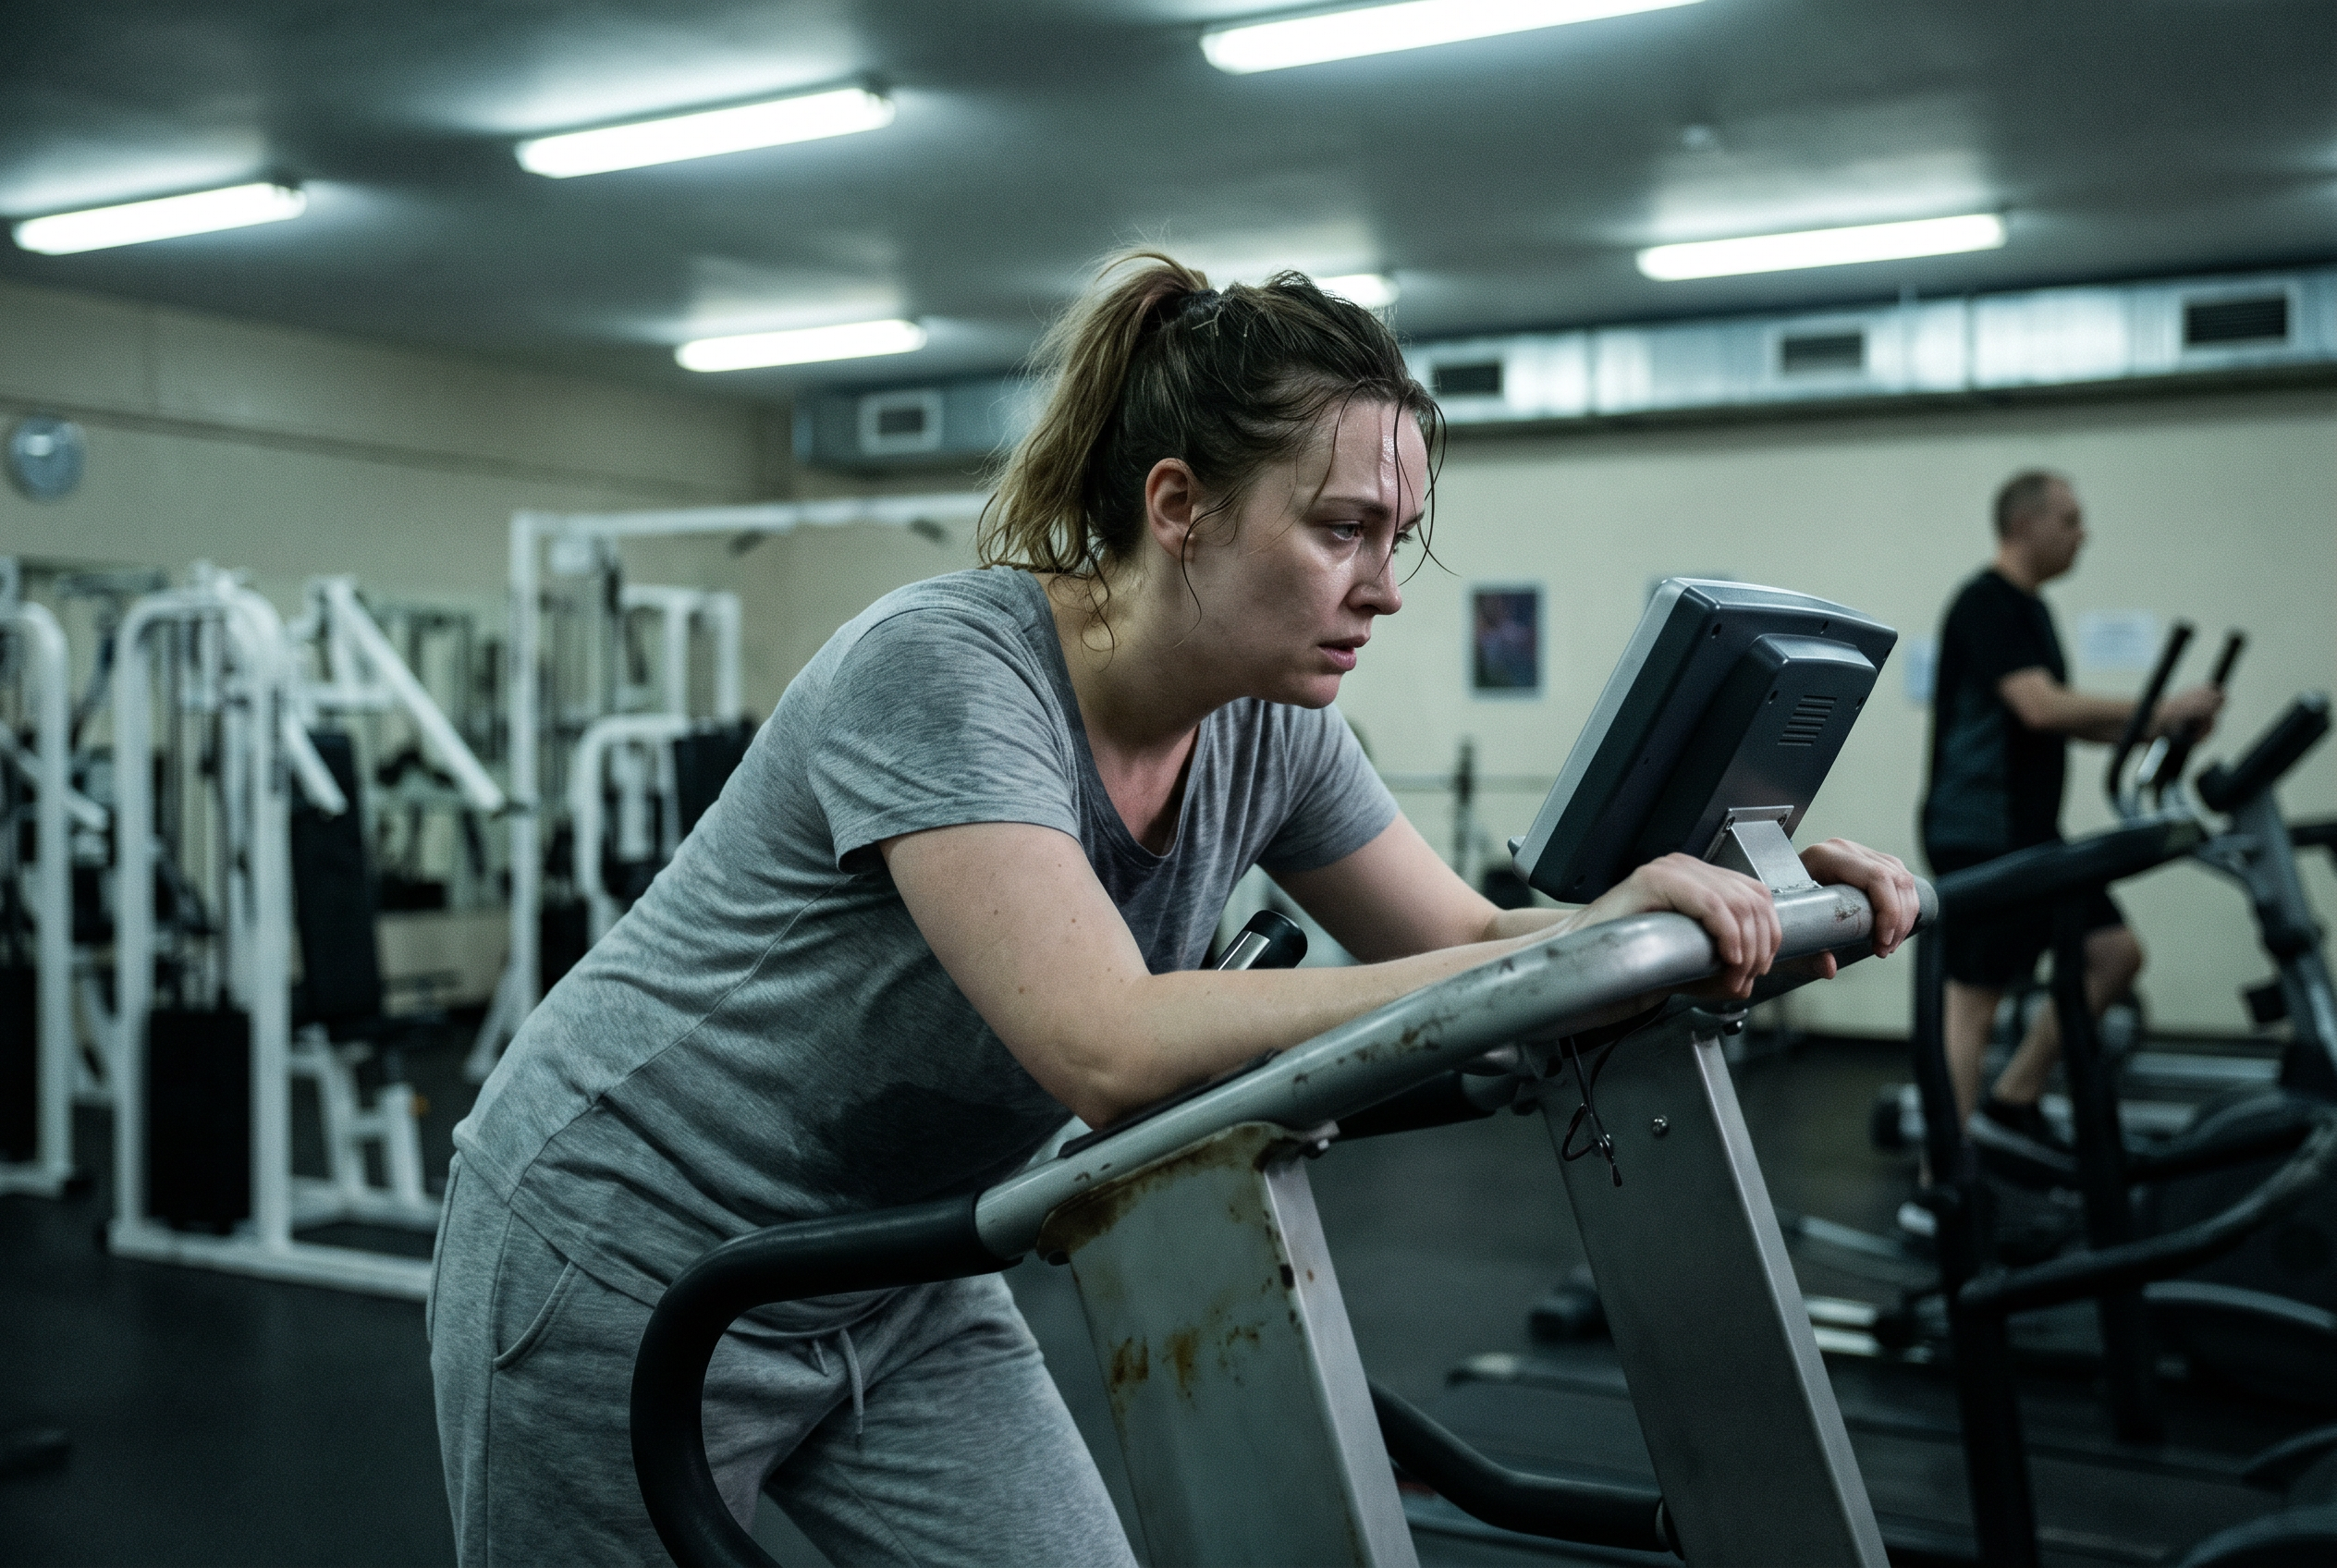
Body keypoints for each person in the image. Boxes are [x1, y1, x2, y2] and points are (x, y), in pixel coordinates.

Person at [427, 252, 1920, 1567]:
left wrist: (1728, 907)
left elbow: (1467, 947)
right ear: (1177, 508)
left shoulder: (1268, 726)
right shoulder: (945, 673)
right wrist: (1575, 946)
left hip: (887, 1275)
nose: (1380, 589)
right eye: (1340, 529)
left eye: (1393, 540)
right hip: (624, 1252)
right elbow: (1104, 1045)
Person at [1920, 469, 2221, 1138]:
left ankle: (2014, 1099)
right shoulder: (1985, 603)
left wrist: (2161, 726)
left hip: (2029, 832)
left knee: (2115, 955)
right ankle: (1939, 1185)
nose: (2083, 535)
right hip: (1981, 832)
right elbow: (2038, 706)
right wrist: (2158, 710)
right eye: (2070, 521)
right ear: (2026, 526)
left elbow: (2069, 721)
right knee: (1974, 1003)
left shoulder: (2031, 609)